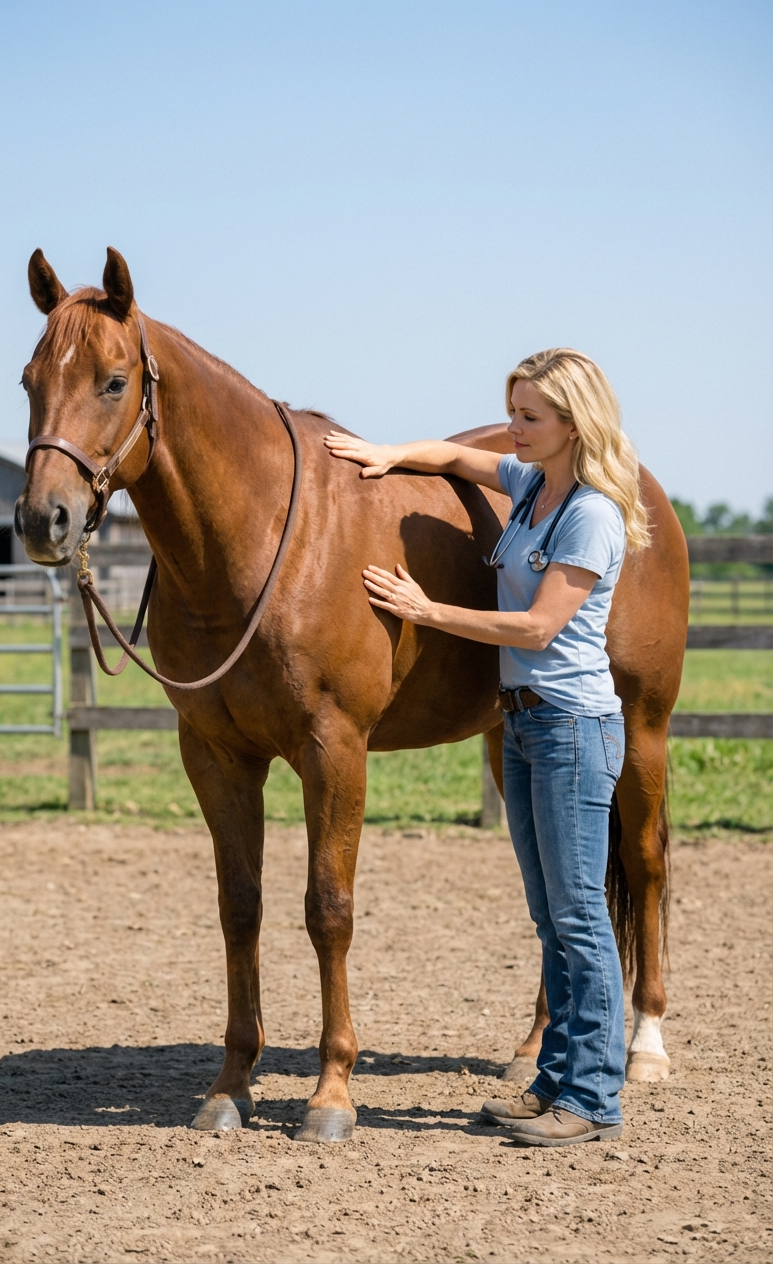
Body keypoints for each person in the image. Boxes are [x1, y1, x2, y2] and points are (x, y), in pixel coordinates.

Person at [324, 348, 650, 1147]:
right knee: (551, 915)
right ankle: (553, 1084)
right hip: (526, 726)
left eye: (530, 417)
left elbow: (538, 627)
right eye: (512, 411)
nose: (514, 429)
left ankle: (594, 1099)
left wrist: (424, 610)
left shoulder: (592, 515)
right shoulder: (533, 484)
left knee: (579, 917)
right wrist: (391, 453)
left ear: (573, 425)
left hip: (573, 727)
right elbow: (457, 457)